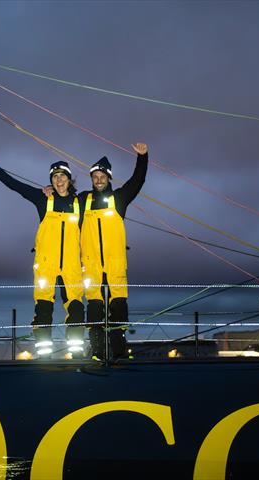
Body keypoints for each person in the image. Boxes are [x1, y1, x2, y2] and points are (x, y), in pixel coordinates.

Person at [0, 155, 85, 358]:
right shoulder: (43, 199)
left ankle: (78, 353)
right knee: (44, 309)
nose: (58, 180)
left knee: (76, 309)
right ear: (51, 181)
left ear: (69, 179)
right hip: (46, 264)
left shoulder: (81, 202)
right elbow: (15, 186)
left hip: (71, 266)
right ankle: (44, 354)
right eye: (55, 177)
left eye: (62, 176)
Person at [80, 143, 148, 360]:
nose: (99, 180)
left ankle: (119, 351)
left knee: (118, 306)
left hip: (115, 263)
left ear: (109, 178)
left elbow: (137, 181)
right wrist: (49, 190)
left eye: (102, 176)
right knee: (94, 307)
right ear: (91, 179)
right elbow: (62, 197)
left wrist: (143, 157)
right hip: (91, 265)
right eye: (95, 176)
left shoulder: (119, 199)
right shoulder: (83, 200)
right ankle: (97, 351)